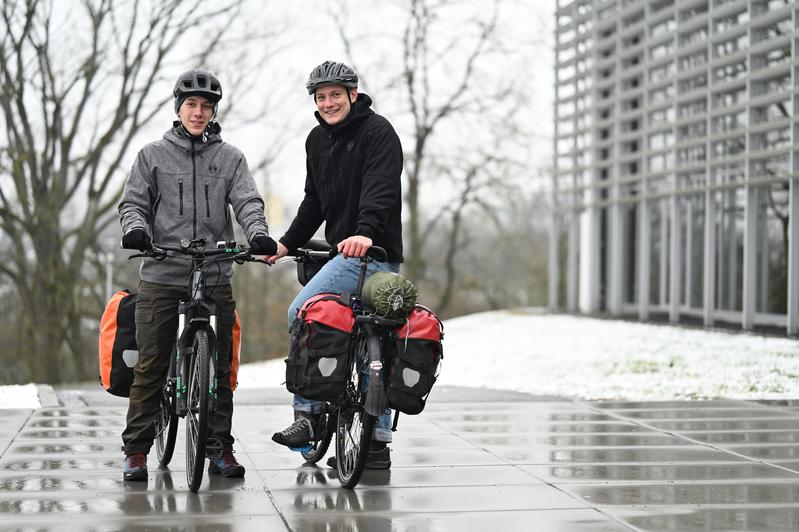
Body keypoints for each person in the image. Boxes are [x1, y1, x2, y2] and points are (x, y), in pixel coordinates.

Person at [118, 68, 277, 481]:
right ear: (178, 108)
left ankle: (218, 447)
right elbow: (133, 202)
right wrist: (136, 230)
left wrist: (257, 234)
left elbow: (248, 202)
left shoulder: (230, 158)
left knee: (221, 366)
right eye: (191, 104)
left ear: (213, 111)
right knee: (151, 363)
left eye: (207, 106)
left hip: (214, 271)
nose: (199, 112)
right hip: (162, 270)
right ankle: (136, 450)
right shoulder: (152, 156)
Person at [266, 61, 403, 469]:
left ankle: (306, 415)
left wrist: (365, 233)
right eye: (321, 97)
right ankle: (375, 445)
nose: (328, 103)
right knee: (360, 341)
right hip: (343, 254)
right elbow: (314, 201)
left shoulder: (378, 132)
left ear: (353, 95)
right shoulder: (316, 141)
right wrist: (286, 243)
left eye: (335, 95)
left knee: (303, 313)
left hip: (374, 257)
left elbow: (380, 189)